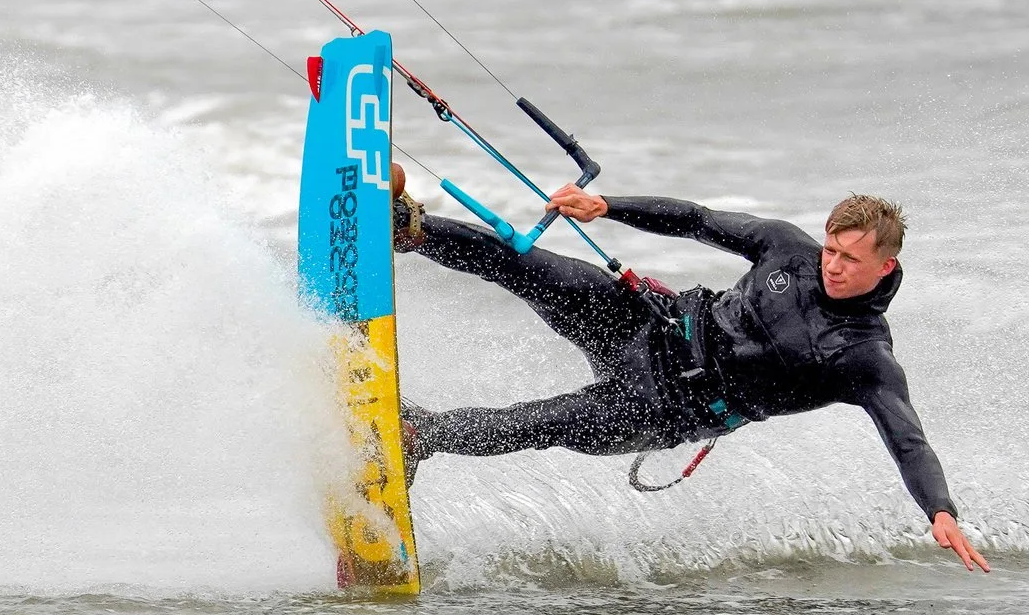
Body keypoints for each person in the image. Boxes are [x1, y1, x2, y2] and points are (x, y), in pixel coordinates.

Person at [394, 174, 989, 572]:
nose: (831, 265)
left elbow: (907, 438)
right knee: (531, 266)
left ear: (886, 266)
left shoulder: (862, 356)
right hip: (652, 324)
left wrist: (940, 511)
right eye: (830, 249)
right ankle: (408, 227)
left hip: (669, 409)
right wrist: (609, 206)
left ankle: (417, 436)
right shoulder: (787, 249)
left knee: (545, 420)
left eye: (849, 259)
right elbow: (698, 220)